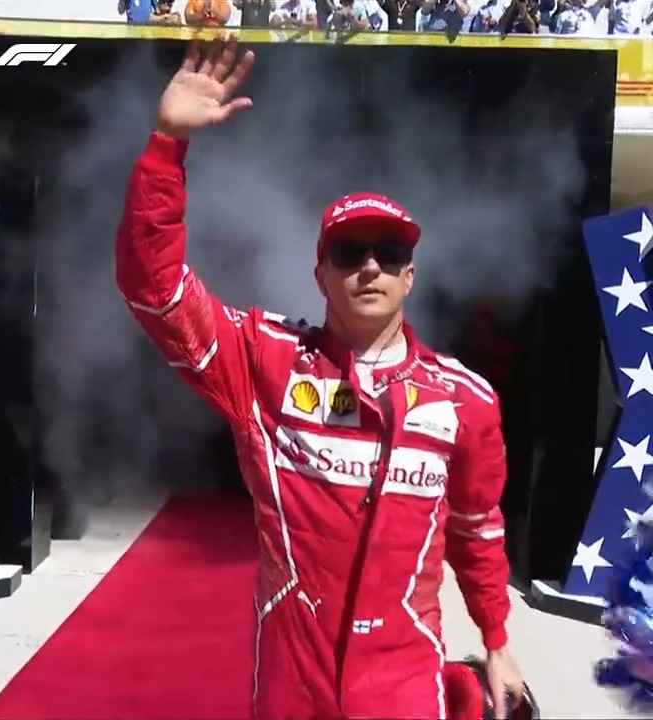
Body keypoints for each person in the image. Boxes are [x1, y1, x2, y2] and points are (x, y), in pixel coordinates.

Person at [116, 38, 524, 720]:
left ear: (410, 276)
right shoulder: (264, 359)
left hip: (403, 686)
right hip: (291, 687)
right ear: (320, 275)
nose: (370, 267)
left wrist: (498, 641)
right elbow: (154, 291)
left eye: (388, 252)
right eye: (348, 252)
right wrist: (166, 147)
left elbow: (476, 530)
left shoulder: (466, 399)